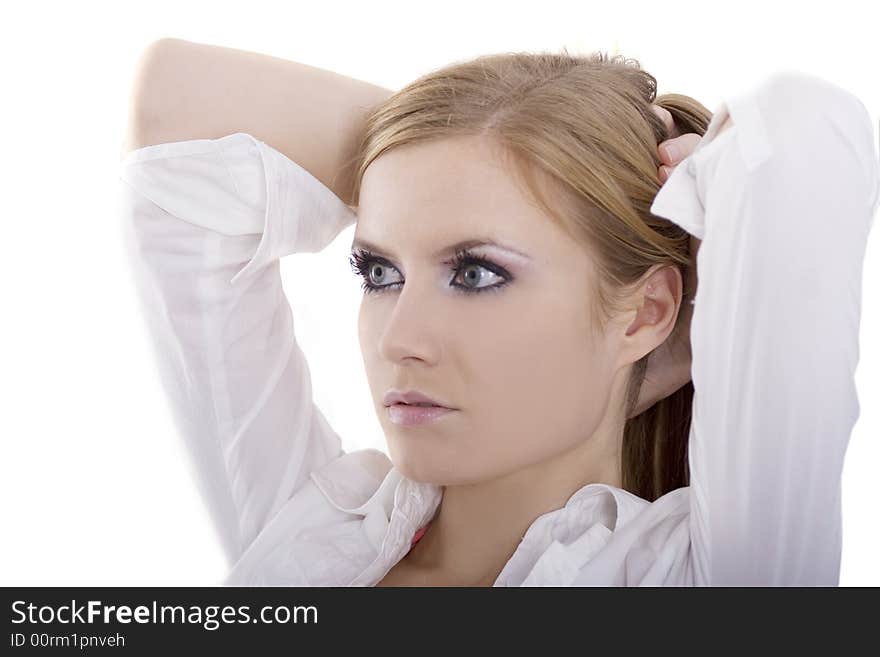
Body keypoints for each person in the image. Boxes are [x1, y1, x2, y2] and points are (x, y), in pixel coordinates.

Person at [118, 45, 879, 586]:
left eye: (475, 272)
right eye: (378, 270)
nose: (399, 339)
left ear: (647, 311)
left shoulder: (705, 579)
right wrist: (492, 141)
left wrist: (579, 165)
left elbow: (805, 138)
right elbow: (175, 104)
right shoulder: (317, 531)